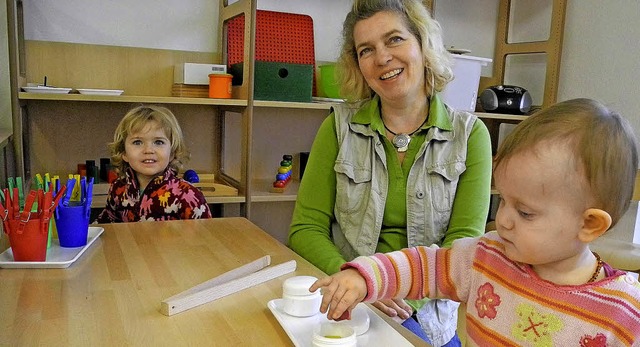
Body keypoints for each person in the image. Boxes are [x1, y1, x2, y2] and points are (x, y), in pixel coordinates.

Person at [310, 98, 640, 345]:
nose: (504, 220)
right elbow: (424, 266)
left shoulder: (624, 313)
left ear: (590, 226)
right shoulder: (485, 256)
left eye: (525, 212)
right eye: (504, 201)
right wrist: (365, 277)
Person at [288, 0, 492, 345]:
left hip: (424, 315)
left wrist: (386, 284)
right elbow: (305, 229)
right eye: (366, 50)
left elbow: (462, 249)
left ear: (423, 45)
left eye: (394, 39)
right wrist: (357, 280)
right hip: (346, 305)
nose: (382, 57)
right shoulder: (336, 128)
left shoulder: (470, 136)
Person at [96, 105, 212, 223]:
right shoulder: (118, 188)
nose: (148, 150)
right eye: (137, 142)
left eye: (158, 142)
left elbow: (204, 236)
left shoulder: (188, 195)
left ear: (172, 152)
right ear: (124, 152)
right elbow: (107, 225)